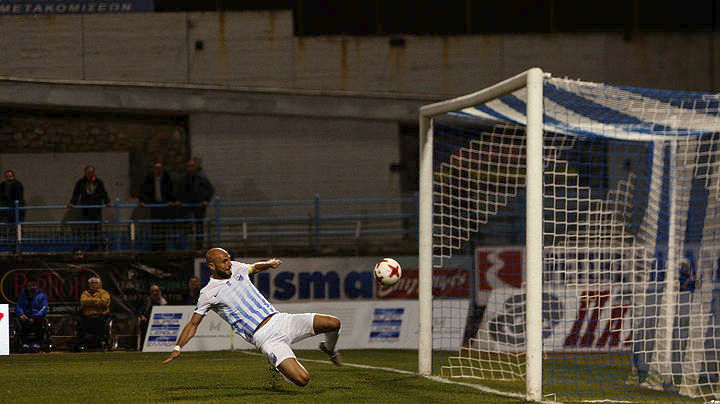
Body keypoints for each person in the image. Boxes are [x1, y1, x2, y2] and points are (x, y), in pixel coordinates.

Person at [162, 248, 342, 387]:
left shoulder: (237, 267)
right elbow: (193, 324)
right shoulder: (208, 294)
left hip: (282, 320)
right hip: (265, 338)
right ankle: (278, 364)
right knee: (303, 380)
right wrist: (178, 347)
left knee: (333, 323)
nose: (229, 264)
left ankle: (329, 348)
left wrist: (269, 264)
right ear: (212, 266)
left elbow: (253, 268)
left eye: (229, 260)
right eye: (224, 262)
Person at [67, 165, 111, 250]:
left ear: (94, 173)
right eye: (88, 172)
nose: (89, 174)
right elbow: (76, 194)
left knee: (97, 228)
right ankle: (96, 244)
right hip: (86, 208)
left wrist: (107, 201)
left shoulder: (98, 182)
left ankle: (98, 244)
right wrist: (72, 203)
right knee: (89, 228)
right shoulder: (80, 182)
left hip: (96, 208)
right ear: (85, 172)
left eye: (91, 172)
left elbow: (103, 193)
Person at [174, 159, 214, 248]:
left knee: (199, 226)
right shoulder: (184, 178)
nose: (190, 168)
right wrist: (178, 200)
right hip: (187, 205)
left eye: (192, 166)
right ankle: (186, 246)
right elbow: (180, 190)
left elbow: (210, 189)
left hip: (198, 205)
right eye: (188, 166)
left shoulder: (201, 177)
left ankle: (198, 246)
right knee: (187, 226)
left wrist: (206, 200)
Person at [140, 161, 176, 250]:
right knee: (154, 226)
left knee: (162, 226)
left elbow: (171, 190)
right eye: (156, 168)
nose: (157, 170)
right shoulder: (149, 179)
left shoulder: (166, 178)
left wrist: (171, 200)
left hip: (164, 204)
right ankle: (155, 246)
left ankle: (162, 246)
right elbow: (145, 190)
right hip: (154, 205)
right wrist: (143, 201)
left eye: (159, 168)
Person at [15, 279, 49, 350]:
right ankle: (24, 343)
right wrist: (21, 314)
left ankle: (37, 343)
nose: (32, 287)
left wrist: (34, 317)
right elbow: (19, 306)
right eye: (30, 286)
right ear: (27, 286)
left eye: (33, 285)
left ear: (36, 286)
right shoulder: (23, 295)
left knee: (40, 323)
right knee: (20, 323)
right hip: (25, 316)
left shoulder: (41, 295)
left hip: (37, 317)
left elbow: (44, 308)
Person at [79, 277, 111, 349]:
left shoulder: (104, 293)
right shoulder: (85, 293)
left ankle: (102, 342)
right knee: (80, 325)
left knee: (102, 324)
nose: (94, 285)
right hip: (87, 318)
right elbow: (83, 301)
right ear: (89, 284)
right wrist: (97, 301)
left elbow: (104, 302)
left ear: (99, 284)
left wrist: (90, 302)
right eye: (92, 283)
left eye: (95, 283)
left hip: (100, 317)